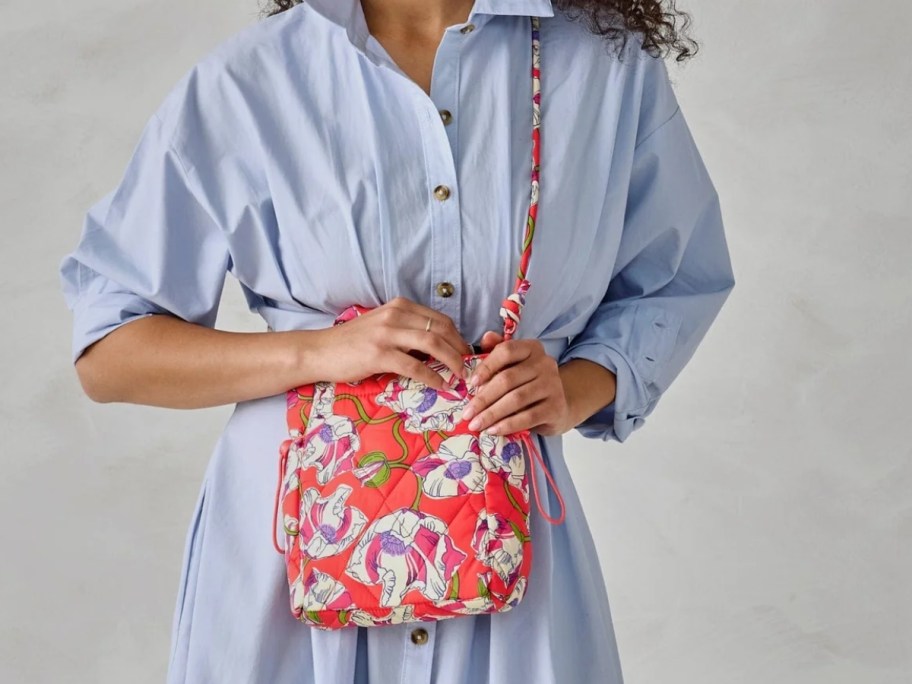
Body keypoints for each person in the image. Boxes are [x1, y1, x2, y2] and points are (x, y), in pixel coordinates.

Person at [57, 0, 735, 682]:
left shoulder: (608, 65)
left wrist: (576, 388)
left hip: (510, 561)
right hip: (287, 567)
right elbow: (111, 350)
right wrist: (319, 352)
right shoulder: (250, 80)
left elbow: (675, 281)